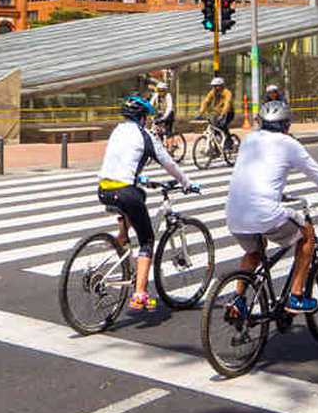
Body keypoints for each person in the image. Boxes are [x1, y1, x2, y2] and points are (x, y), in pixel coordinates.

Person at [224, 100, 318, 316]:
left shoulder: (249, 139)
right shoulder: (288, 144)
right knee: (307, 235)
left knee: (254, 251)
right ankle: (296, 296)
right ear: (286, 125)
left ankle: (238, 299)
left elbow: (257, 173)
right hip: (263, 211)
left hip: (234, 212)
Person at [98, 95, 196, 311]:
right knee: (147, 240)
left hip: (104, 189)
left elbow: (121, 161)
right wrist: (187, 183)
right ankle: (140, 293)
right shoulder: (146, 136)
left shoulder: (117, 131)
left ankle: (122, 237)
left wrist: (140, 178)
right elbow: (168, 163)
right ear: (142, 118)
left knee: (138, 196)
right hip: (124, 191)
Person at [198, 76, 235, 148]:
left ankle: (229, 142)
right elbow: (206, 101)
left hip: (228, 113)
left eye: (216, 86)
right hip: (217, 113)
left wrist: (223, 114)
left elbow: (227, 103)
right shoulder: (212, 92)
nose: (214, 88)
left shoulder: (227, 93)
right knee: (213, 128)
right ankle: (216, 146)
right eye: (213, 86)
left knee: (222, 126)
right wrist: (201, 112)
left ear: (221, 86)